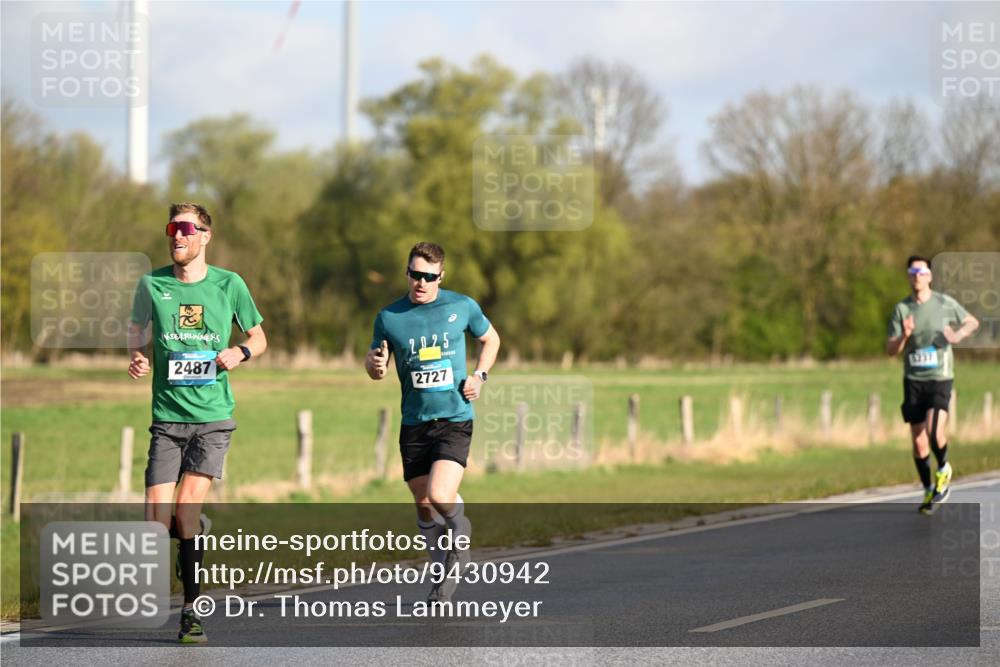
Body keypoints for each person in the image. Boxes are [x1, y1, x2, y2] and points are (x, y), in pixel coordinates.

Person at [128, 202, 267, 642]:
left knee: (184, 512)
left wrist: (240, 353)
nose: (177, 235)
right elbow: (136, 330)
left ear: (206, 235)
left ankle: (190, 611)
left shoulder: (230, 284)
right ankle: (194, 531)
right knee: (156, 522)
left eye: (187, 228)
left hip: (212, 419)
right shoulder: (151, 285)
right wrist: (136, 355)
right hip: (167, 419)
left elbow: (259, 336)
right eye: (172, 228)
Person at [365, 242, 500, 603]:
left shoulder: (461, 306)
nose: (420, 282)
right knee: (423, 502)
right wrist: (375, 366)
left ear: (441, 276)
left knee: (441, 495)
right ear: (406, 273)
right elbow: (375, 361)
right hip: (414, 421)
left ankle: (460, 529)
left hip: (455, 417)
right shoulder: (390, 316)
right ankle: (441, 569)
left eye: (429, 276)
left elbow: (491, 339)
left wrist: (480, 376)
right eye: (414, 274)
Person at [886, 255, 978, 515]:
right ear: (908, 276)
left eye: (922, 271)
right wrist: (904, 335)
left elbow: (972, 322)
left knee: (934, 428)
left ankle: (944, 468)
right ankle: (928, 488)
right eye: (912, 271)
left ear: (930, 276)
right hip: (913, 379)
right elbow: (891, 350)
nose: (917, 275)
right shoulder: (902, 309)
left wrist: (956, 335)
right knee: (918, 442)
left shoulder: (943, 303)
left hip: (940, 376)